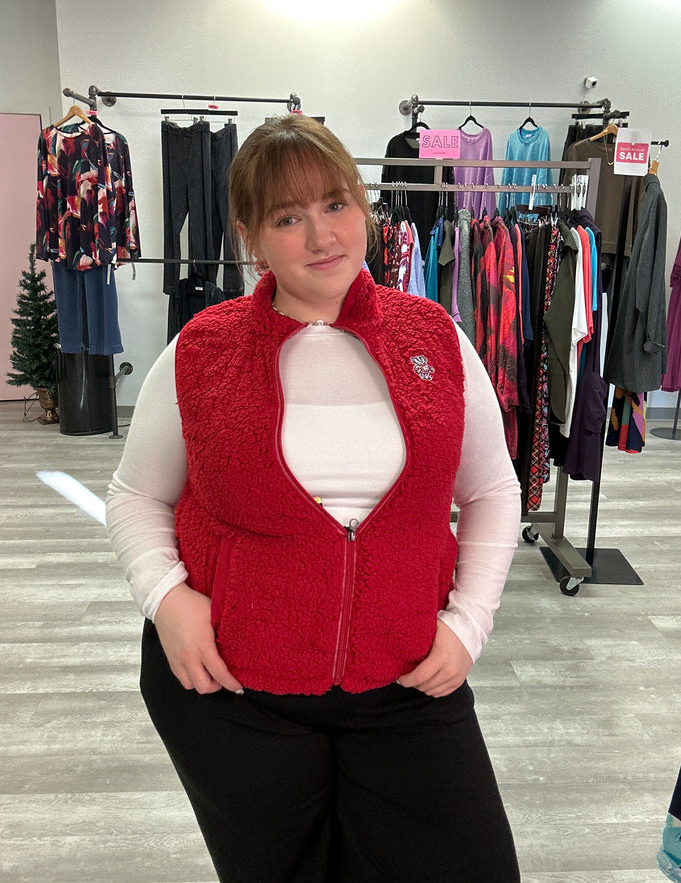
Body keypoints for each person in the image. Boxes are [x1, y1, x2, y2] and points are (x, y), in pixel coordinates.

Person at [106, 114, 522, 883]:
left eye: (335, 204)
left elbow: (493, 488)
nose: (322, 235)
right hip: (236, 692)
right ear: (251, 237)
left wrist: (470, 622)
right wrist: (166, 598)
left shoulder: (435, 337)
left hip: (406, 683)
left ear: (363, 207)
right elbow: (135, 494)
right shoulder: (201, 350)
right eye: (287, 218)